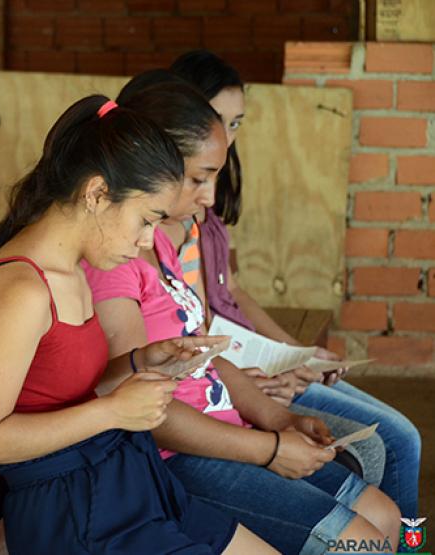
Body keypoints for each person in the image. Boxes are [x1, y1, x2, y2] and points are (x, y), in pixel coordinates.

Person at [84, 78, 401, 554]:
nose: (210, 197)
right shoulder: (115, 263)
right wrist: (270, 449)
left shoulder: (160, 244)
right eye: (197, 178)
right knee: (357, 543)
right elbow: (146, 408)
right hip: (178, 456)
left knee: (384, 515)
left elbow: (204, 357)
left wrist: (279, 418)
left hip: (223, 432)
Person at [0, 94, 276, 554]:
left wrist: (140, 361)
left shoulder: (73, 271)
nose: (147, 240)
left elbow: (57, 390)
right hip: (72, 514)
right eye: (145, 221)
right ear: (97, 193)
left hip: (120, 482)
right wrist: (111, 413)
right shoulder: (23, 292)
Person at [170, 49, 421, 517]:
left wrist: (298, 352)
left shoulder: (210, 199)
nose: (226, 137)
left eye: (237, 122)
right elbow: (194, 329)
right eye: (215, 120)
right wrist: (272, 374)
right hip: (237, 370)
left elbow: (233, 290)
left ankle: (406, 545)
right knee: (396, 442)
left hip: (251, 362)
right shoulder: (171, 222)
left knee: (397, 437)